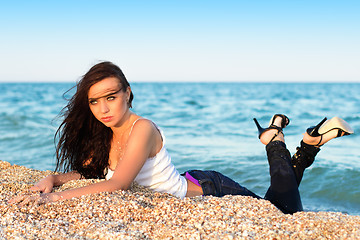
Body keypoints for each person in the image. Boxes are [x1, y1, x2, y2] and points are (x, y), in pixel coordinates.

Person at [9, 61, 354, 214]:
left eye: (111, 97)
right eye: (95, 101)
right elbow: (95, 175)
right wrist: (53, 178)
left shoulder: (142, 128)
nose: (103, 108)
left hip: (212, 189)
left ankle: (275, 139)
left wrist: (51, 201)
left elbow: (118, 184)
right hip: (191, 179)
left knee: (284, 211)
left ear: (128, 94)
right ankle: (308, 146)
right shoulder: (104, 135)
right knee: (281, 202)